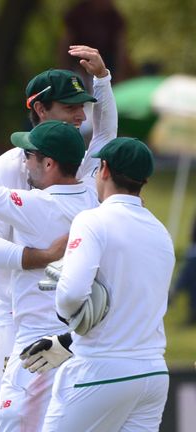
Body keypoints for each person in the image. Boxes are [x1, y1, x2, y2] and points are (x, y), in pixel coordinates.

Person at [0, 46, 116, 432]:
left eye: (83, 106)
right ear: (41, 110)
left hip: (60, 323)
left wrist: (103, 80)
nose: (81, 115)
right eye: (70, 107)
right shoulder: (8, 166)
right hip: (6, 319)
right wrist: (43, 255)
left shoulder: (73, 158)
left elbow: (106, 136)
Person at [33, 138, 173, 430]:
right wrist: (68, 341)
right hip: (152, 374)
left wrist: (66, 318)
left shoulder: (92, 220)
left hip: (100, 369)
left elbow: (71, 296)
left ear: (105, 169)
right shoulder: (161, 232)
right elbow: (134, 303)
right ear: (144, 179)